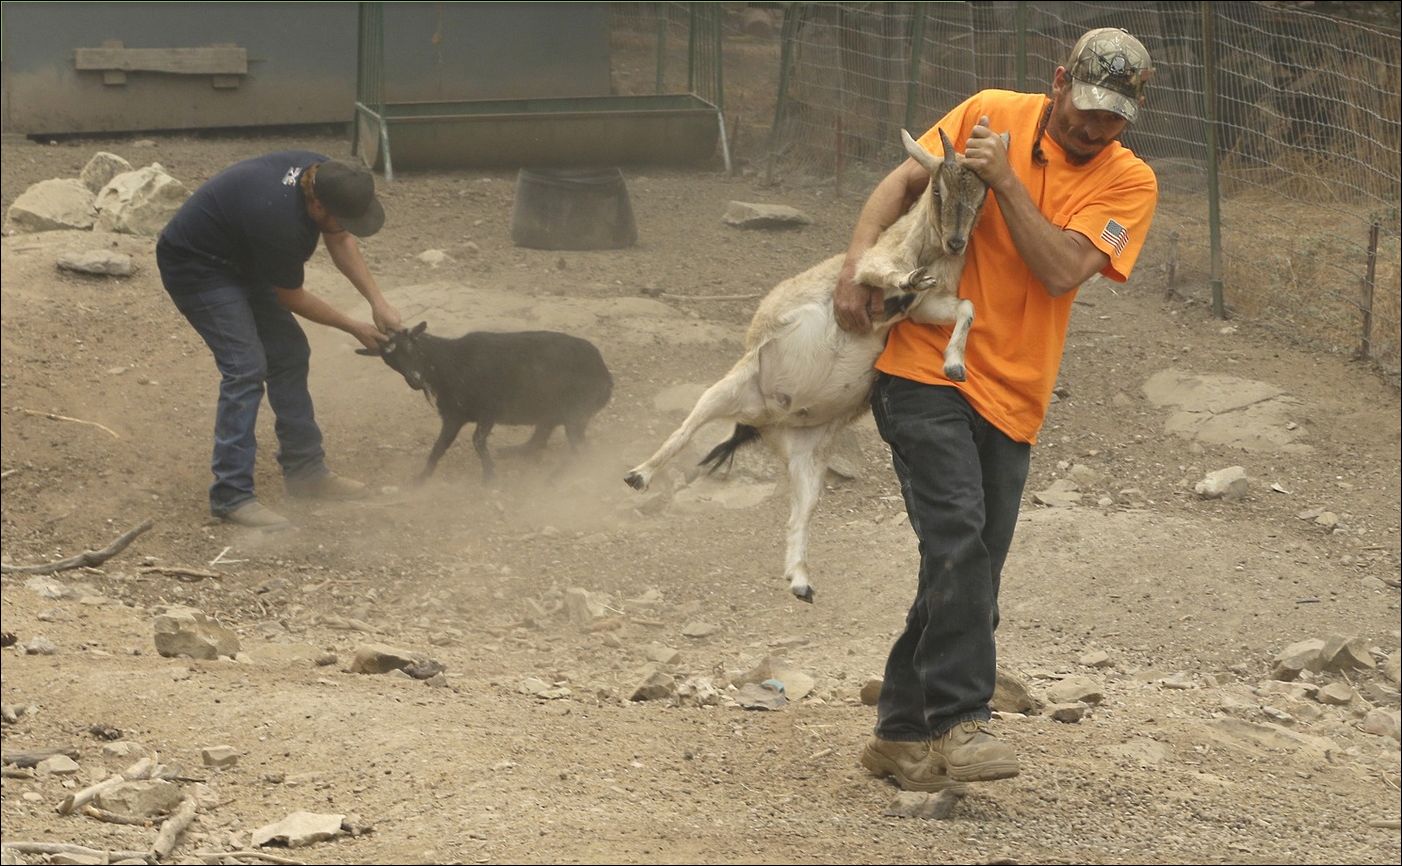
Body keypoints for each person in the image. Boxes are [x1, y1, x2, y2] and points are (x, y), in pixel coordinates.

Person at [836, 28, 1159, 791]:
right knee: (957, 540)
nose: (1091, 127)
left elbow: (1059, 273)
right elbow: (904, 182)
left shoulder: (1130, 183)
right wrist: (857, 266)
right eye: (1083, 108)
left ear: (1133, 117)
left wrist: (1009, 183)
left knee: (971, 565)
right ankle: (963, 722)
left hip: (1016, 397)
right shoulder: (989, 111)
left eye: (1111, 118)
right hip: (923, 365)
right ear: (1057, 82)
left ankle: (897, 736)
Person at [156, 152, 402, 530]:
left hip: (244, 257)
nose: (345, 224)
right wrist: (354, 326)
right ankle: (231, 495)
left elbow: (340, 238)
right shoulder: (278, 219)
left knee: (289, 353)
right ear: (317, 204)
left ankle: (306, 474)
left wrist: (378, 302)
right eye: (341, 215)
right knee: (245, 367)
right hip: (198, 266)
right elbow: (290, 296)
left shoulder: (330, 177)